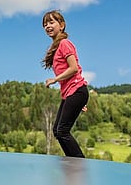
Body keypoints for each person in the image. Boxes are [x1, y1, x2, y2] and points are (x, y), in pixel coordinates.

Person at [42, 10, 88, 158]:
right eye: (45, 24)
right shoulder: (56, 47)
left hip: (77, 90)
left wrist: (54, 80)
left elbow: (74, 68)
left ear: (61, 25)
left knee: (62, 130)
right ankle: (72, 161)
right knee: (57, 130)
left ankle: (79, 163)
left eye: (51, 22)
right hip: (71, 94)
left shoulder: (64, 43)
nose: (47, 26)